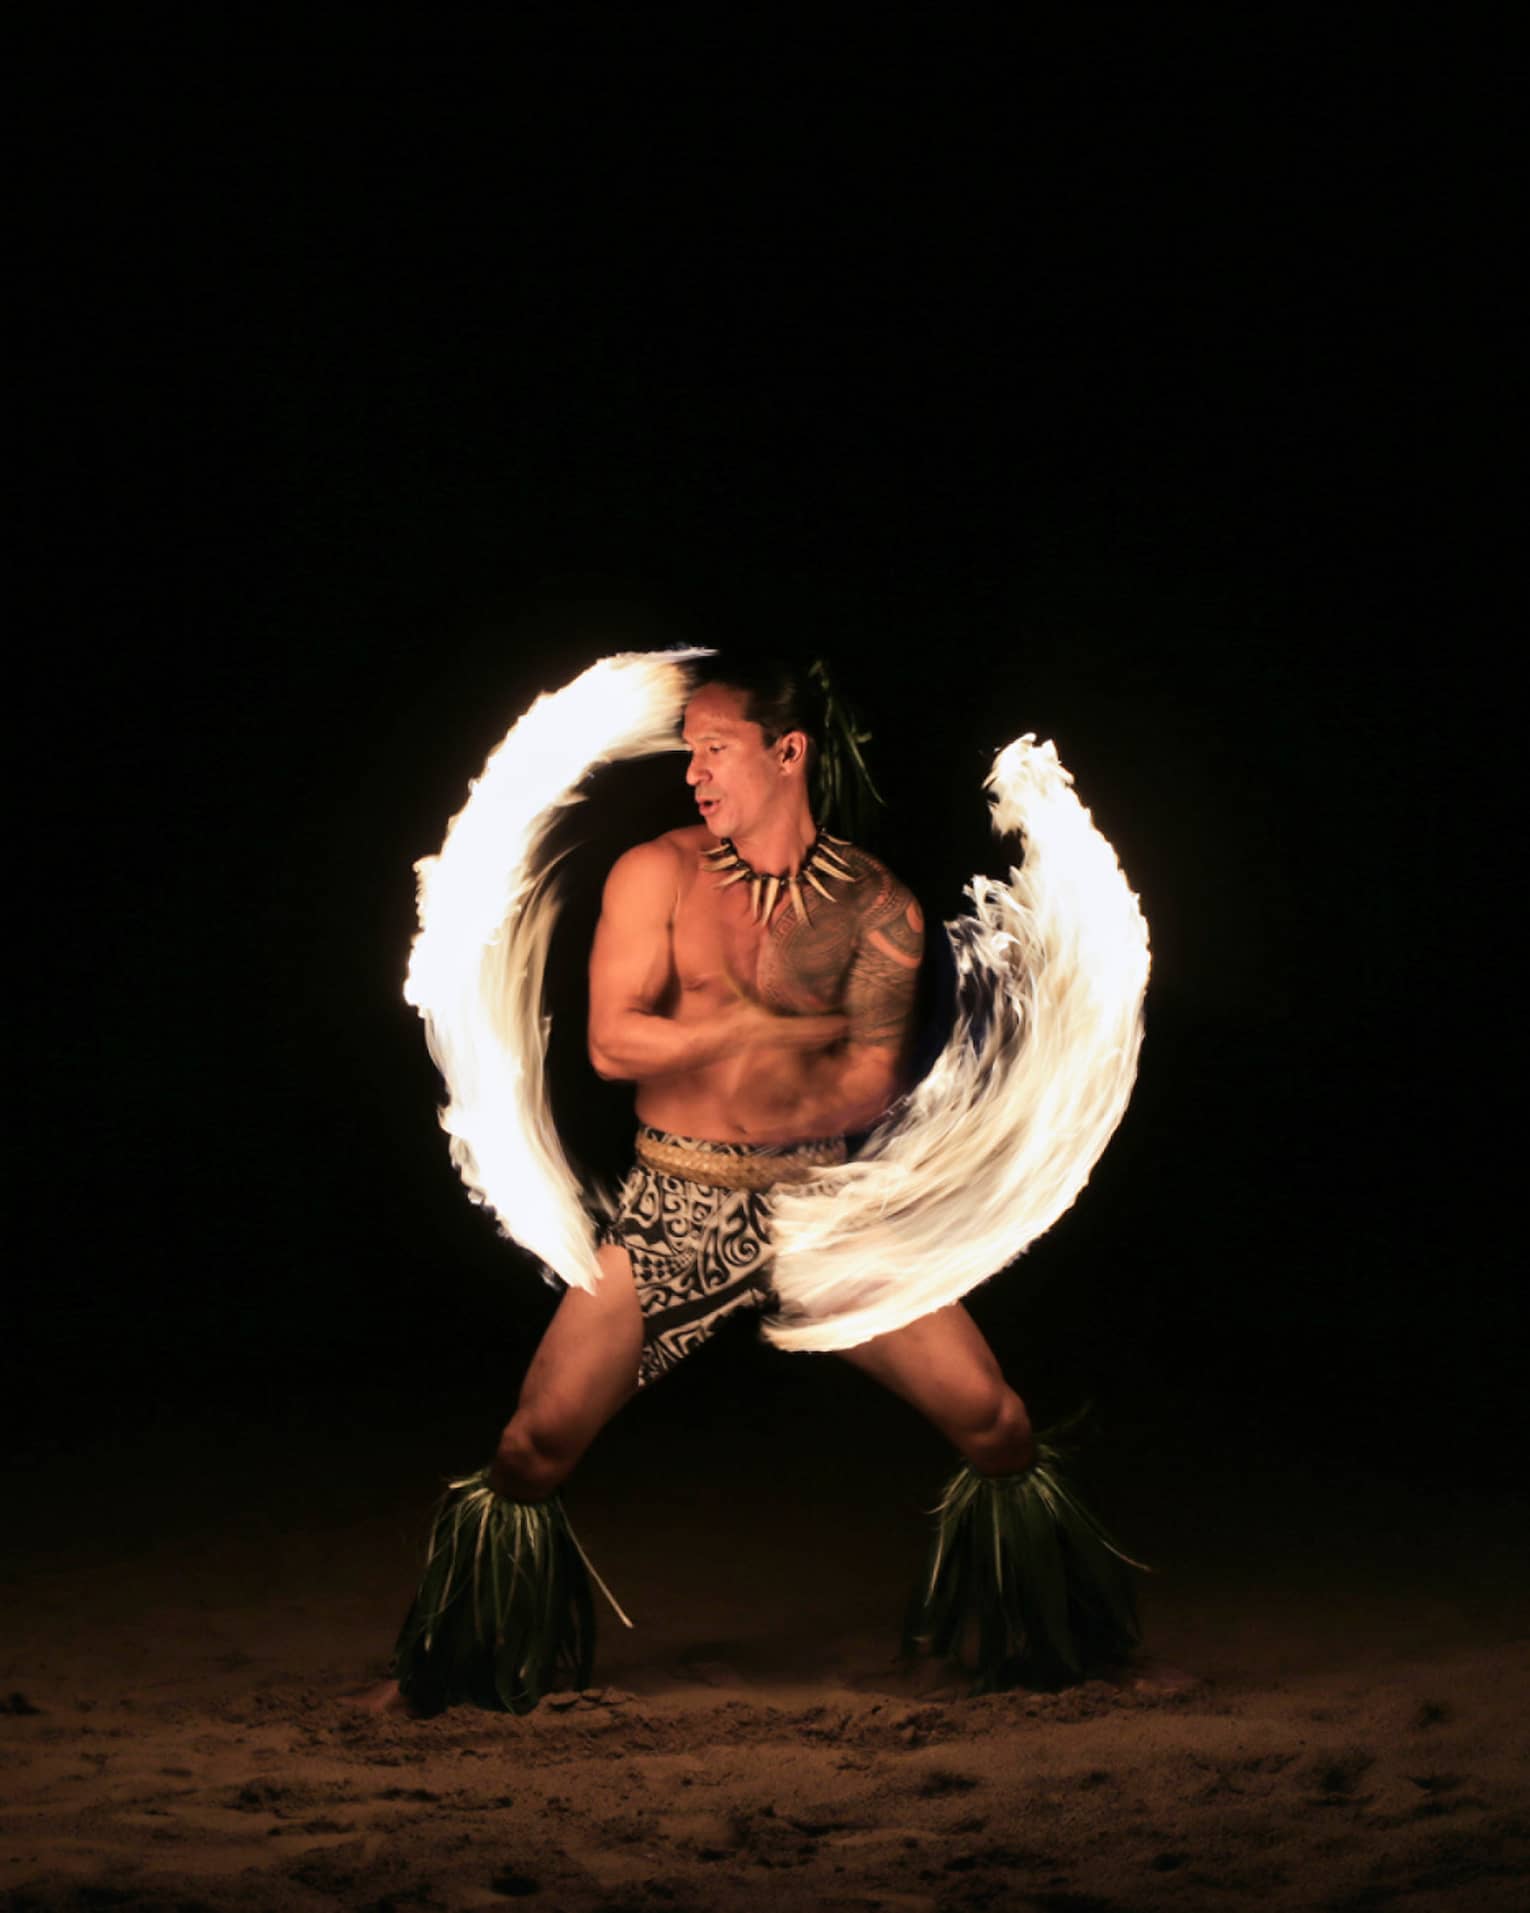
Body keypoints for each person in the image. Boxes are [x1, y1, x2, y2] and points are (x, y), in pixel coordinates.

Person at [380, 658, 1138, 1716]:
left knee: (996, 1421)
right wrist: (744, 1028)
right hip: (674, 1205)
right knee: (531, 1443)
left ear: (790, 753)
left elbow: (866, 1083)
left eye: (713, 747)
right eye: (687, 749)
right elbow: (609, 1039)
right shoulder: (657, 875)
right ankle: (452, 1674)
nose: (692, 770)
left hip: (824, 1207)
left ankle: (1065, 1653)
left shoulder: (880, 908)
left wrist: (783, 1098)